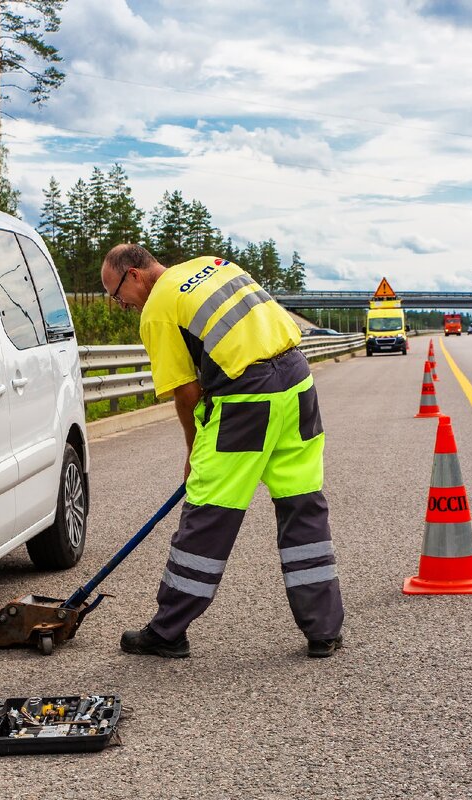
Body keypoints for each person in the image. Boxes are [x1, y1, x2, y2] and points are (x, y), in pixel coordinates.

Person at [100, 244, 344, 659]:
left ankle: (167, 631)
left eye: (116, 293)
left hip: (246, 399)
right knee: (302, 506)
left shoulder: (158, 307)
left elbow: (185, 390)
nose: (120, 304)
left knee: (209, 514)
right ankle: (324, 631)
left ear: (135, 274)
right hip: (298, 385)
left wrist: (194, 452)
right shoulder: (211, 265)